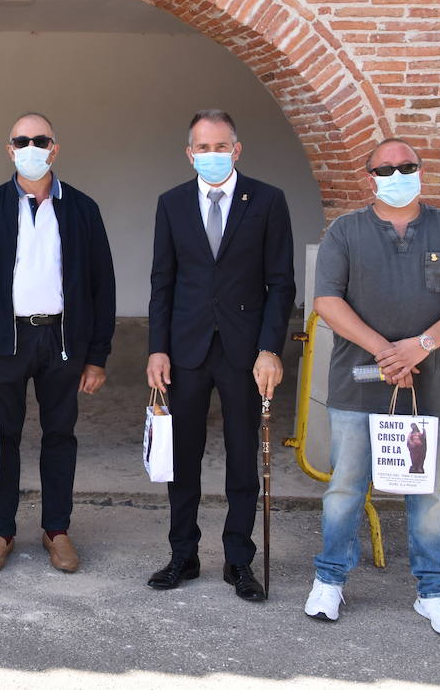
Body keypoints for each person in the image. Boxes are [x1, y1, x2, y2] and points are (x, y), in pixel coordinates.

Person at [305, 138, 440, 637]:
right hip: (358, 385)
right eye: (385, 169)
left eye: (406, 166)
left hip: (431, 387)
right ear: (370, 179)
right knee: (346, 487)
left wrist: (421, 347)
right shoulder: (346, 231)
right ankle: (329, 579)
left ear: (420, 170)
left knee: (428, 494)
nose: (397, 175)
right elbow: (327, 301)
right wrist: (389, 352)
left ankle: (434, 592)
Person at [144, 109, 295, 602]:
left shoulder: (267, 200)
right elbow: (162, 281)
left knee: (242, 457)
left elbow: (281, 283)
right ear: (190, 154)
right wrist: (157, 348)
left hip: (244, 351)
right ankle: (182, 555)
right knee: (182, 457)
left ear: (237, 149)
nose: (212, 155)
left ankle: (239, 560)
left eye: (221, 146)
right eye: (203, 148)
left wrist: (270, 348)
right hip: (185, 349)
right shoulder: (171, 203)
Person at [0, 112, 116, 574]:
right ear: (10, 150)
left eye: (40, 140)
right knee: (2, 435)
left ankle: (56, 530)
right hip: (4, 341)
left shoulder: (82, 209)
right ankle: (0, 531)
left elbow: (102, 285)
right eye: (21, 141)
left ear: (54, 149)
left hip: (62, 340)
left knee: (60, 435)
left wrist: (98, 356)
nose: (31, 148)